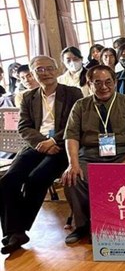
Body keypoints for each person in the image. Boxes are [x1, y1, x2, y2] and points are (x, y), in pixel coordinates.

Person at [0, 57, 83, 254]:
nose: (45, 73)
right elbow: (24, 127)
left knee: (36, 179)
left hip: (63, 146)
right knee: (8, 180)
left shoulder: (72, 93)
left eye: (49, 68)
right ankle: (15, 232)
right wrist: (42, 143)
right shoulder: (29, 97)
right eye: (39, 70)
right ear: (33, 73)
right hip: (36, 145)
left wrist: (53, 141)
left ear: (57, 70)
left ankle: (17, 230)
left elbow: (76, 124)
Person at [61, 65, 125, 243]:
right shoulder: (80, 105)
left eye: (108, 82)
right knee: (73, 178)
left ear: (115, 82)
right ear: (89, 84)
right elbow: (71, 136)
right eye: (97, 83)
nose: (104, 87)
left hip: (123, 153)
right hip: (91, 155)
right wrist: (73, 163)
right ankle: (84, 226)